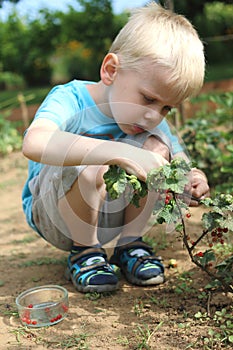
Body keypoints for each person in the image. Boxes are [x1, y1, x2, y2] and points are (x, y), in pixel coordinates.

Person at [22, 2, 209, 293]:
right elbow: (34, 142)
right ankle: (85, 252)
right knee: (96, 153)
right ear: (111, 70)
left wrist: (193, 179)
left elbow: (180, 163)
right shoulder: (70, 99)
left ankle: (129, 245)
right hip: (55, 213)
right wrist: (124, 153)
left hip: (111, 212)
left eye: (167, 108)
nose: (154, 115)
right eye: (148, 99)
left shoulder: (150, 121)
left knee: (156, 148)